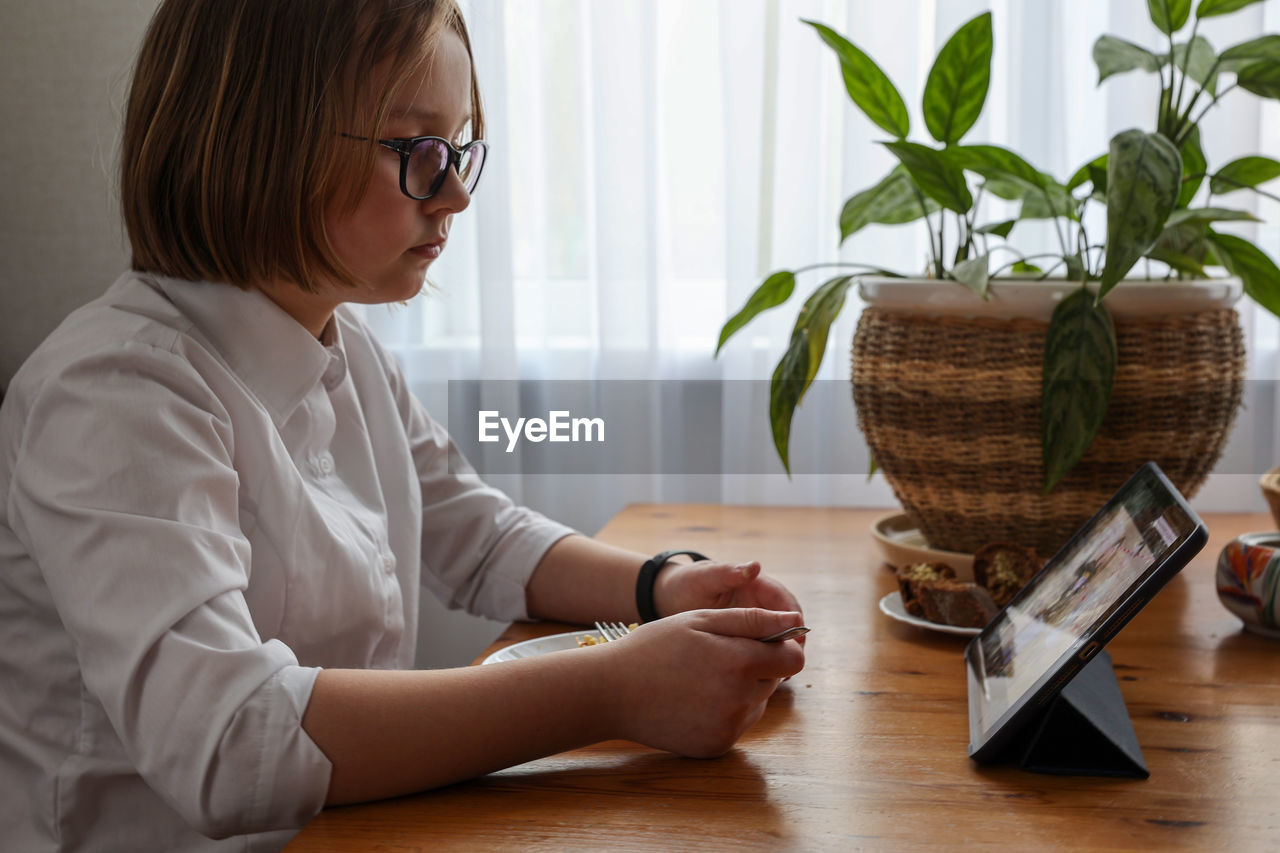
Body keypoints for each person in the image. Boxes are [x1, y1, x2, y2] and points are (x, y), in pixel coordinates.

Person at [0, 1, 806, 850]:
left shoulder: (343, 344)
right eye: (419, 152)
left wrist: (661, 583)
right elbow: (232, 742)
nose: (455, 190)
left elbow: (478, 533)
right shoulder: (114, 392)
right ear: (263, 140)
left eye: (458, 149)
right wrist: (611, 688)